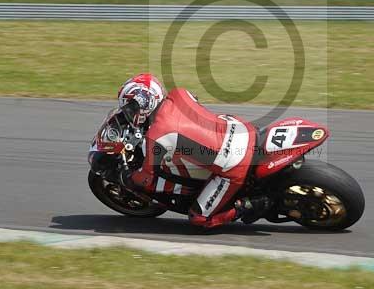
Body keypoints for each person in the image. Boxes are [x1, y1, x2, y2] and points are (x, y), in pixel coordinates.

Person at [114, 73, 269, 228]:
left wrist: (127, 177)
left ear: (144, 104)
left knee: (199, 219)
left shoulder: (156, 136)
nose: (128, 113)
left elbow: (145, 179)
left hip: (235, 163)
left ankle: (249, 205)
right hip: (241, 129)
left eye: (130, 108)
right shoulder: (180, 93)